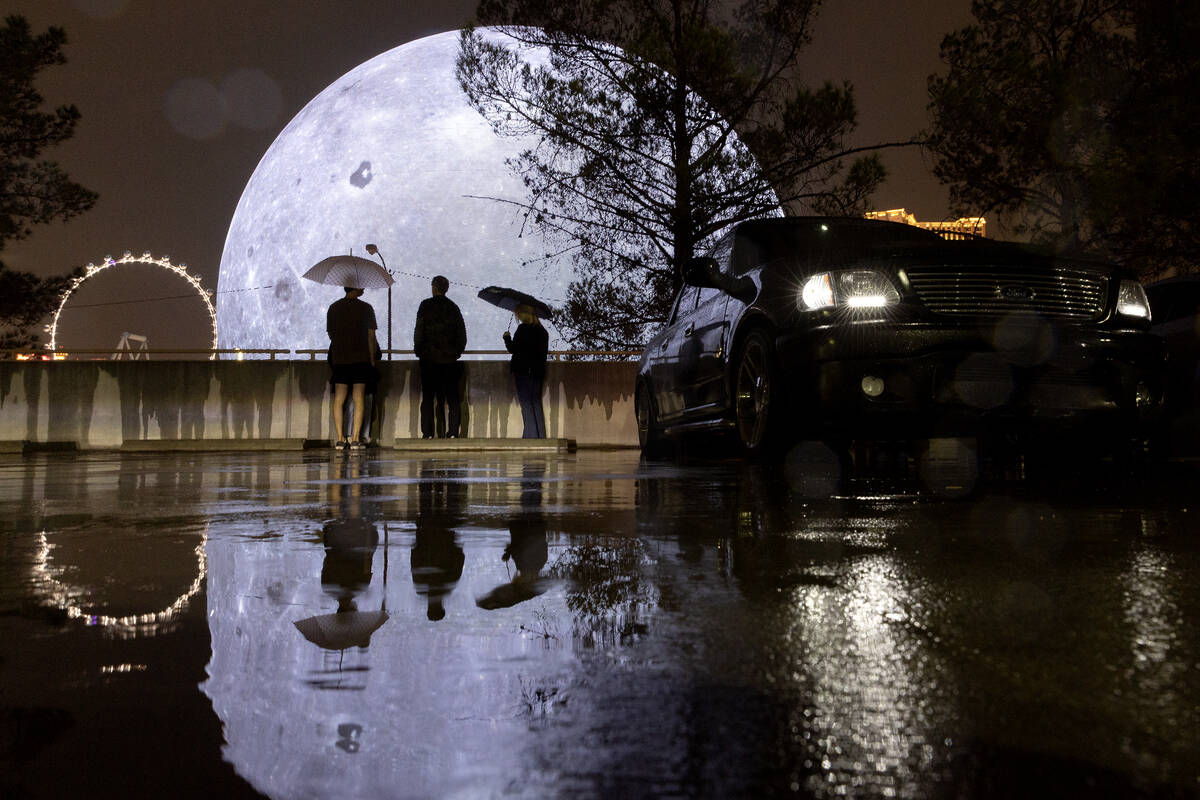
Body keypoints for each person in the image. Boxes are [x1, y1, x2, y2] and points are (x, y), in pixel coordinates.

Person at [413, 275, 467, 438]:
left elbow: (419, 331)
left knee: (428, 397)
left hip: (429, 360)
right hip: (449, 360)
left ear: (434, 287)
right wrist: (456, 351)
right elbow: (462, 335)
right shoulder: (453, 308)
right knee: (452, 398)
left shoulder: (425, 306)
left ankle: (428, 433)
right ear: (446, 289)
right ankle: (452, 432)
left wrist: (419, 350)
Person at [327, 284, 379, 450]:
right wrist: (371, 360)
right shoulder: (366, 308)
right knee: (359, 398)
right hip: (361, 359)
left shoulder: (334, 308)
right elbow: (371, 336)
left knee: (339, 399)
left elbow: (330, 333)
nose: (364, 287)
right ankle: (355, 438)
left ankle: (340, 439)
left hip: (340, 359)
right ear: (356, 289)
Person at [503, 304, 548, 438]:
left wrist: (506, 338)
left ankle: (531, 437)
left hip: (523, 371)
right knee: (535, 403)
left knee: (526, 404)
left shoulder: (523, 329)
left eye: (519, 314)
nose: (518, 317)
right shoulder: (542, 331)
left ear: (524, 314)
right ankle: (539, 436)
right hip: (537, 372)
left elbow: (513, 349)